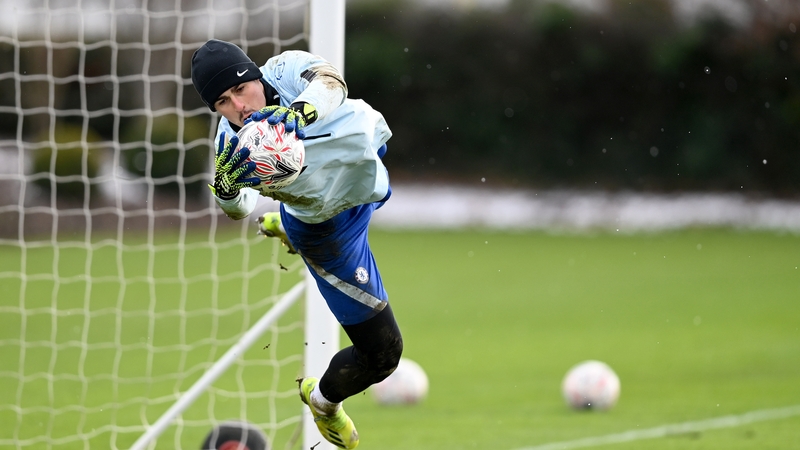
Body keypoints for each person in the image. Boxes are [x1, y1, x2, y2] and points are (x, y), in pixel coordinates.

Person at [190, 39, 403, 449]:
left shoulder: (285, 69)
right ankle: (322, 402)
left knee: (359, 158)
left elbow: (331, 83)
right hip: (328, 232)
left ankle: (286, 223)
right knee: (383, 354)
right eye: (222, 101)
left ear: (254, 74)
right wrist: (225, 187)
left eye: (240, 88)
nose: (239, 105)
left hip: (364, 167)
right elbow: (237, 207)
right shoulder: (231, 142)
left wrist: (296, 115)